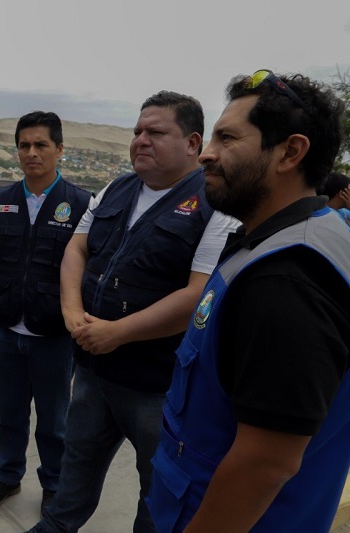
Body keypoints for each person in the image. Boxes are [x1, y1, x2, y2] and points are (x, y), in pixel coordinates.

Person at [148, 70, 350, 532]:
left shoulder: (287, 279)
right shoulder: (290, 241)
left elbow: (266, 464)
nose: (206, 154)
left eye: (227, 137)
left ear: (290, 152)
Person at [30, 91, 237, 533]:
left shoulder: (214, 203)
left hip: (155, 386)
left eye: (156, 132)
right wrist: (71, 310)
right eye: (138, 131)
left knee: (156, 489)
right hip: (91, 372)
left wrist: (118, 332)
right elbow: (77, 248)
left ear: (192, 143)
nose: (141, 140)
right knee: (76, 468)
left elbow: (197, 295)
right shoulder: (116, 188)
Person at [0, 111, 91, 513]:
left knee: (54, 423)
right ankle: (7, 477)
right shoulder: (3, 200)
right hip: (7, 329)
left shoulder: (80, 204)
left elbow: (87, 265)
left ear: (59, 149)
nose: (31, 153)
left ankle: (54, 485)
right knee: (9, 414)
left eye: (41, 144)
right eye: (24, 145)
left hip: (54, 337)